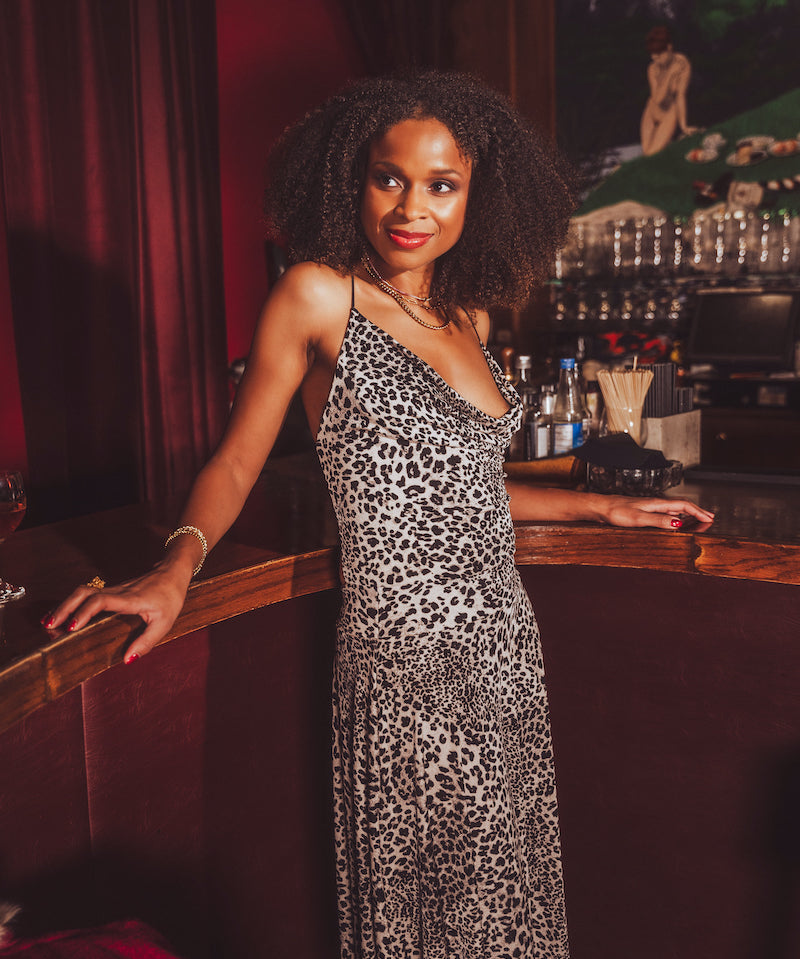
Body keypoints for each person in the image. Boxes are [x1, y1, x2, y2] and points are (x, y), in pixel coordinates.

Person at [44, 72, 714, 958]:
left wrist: (607, 508)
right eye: (388, 177)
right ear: (350, 179)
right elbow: (237, 460)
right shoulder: (320, 295)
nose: (411, 207)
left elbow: (464, 486)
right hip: (406, 657)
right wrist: (176, 568)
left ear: (477, 195)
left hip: (504, 645)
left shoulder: (469, 316)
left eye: (442, 184)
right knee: (442, 915)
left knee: (509, 900)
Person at [640, 26, 697, 156]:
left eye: (659, 54)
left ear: (669, 48)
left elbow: (680, 96)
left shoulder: (683, 63)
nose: (655, 58)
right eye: (652, 54)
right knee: (645, 153)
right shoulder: (652, 68)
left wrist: (683, 126)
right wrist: (670, 74)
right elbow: (658, 99)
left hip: (669, 113)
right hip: (651, 111)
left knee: (651, 154)